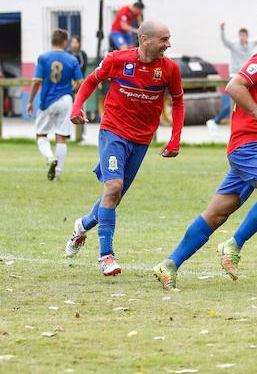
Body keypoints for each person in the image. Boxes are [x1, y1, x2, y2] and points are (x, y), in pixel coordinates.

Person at [152, 14, 257, 290]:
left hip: (249, 151)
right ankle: (232, 245)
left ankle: (169, 264)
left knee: (216, 215)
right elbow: (233, 86)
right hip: (248, 148)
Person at [66, 20, 184, 276]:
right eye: (164, 39)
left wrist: (175, 138)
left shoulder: (170, 69)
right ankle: (106, 256)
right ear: (144, 40)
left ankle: (82, 226)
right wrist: (77, 107)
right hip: (113, 133)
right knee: (113, 187)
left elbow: (178, 102)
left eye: (169, 38)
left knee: (114, 197)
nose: (169, 44)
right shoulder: (116, 60)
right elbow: (89, 81)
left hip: (142, 140)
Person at [26, 29, 84, 180]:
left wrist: (31, 101)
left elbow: (36, 81)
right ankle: (57, 173)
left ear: (52, 41)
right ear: (65, 42)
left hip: (48, 100)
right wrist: (71, 91)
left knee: (41, 134)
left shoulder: (44, 58)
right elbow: (80, 82)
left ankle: (50, 157)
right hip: (66, 100)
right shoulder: (72, 59)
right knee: (61, 137)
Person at [207, 22, 257, 136]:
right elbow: (225, 42)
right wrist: (222, 30)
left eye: (244, 36)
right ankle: (215, 121)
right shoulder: (234, 44)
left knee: (244, 102)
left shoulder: (251, 43)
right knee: (235, 101)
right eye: (241, 36)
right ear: (239, 36)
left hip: (247, 76)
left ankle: (244, 126)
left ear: (247, 36)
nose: (242, 38)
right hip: (235, 75)